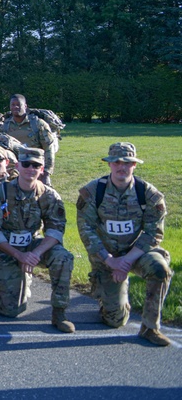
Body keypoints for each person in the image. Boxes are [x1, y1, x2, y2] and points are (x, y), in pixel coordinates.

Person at [76, 142, 172, 347]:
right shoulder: (92, 192)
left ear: (134, 165)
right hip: (106, 255)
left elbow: (153, 233)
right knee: (115, 320)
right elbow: (87, 230)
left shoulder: (149, 195)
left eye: (127, 163)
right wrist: (110, 261)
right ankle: (109, 297)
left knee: (160, 269)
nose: (122, 167)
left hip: (136, 252)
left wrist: (126, 262)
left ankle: (150, 327)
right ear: (109, 164)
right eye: (117, 162)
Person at [0, 148, 75, 333]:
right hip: (5, 249)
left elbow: (56, 230)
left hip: (32, 247)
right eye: (26, 164)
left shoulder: (49, 196)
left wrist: (35, 254)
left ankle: (59, 313)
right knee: (11, 310)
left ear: (42, 169)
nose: (30, 168)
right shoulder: (0, 193)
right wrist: (19, 255)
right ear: (18, 166)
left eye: (35, 165)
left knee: (64, 257)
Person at [1, 94, 56, 184]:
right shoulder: (5, 126)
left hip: (35, 167)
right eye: (13, 104)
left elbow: (49, 149)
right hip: (14, 170)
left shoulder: (38, 124)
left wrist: (46, 173)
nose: (15, 107)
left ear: (25, 106)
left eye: (18, 104)